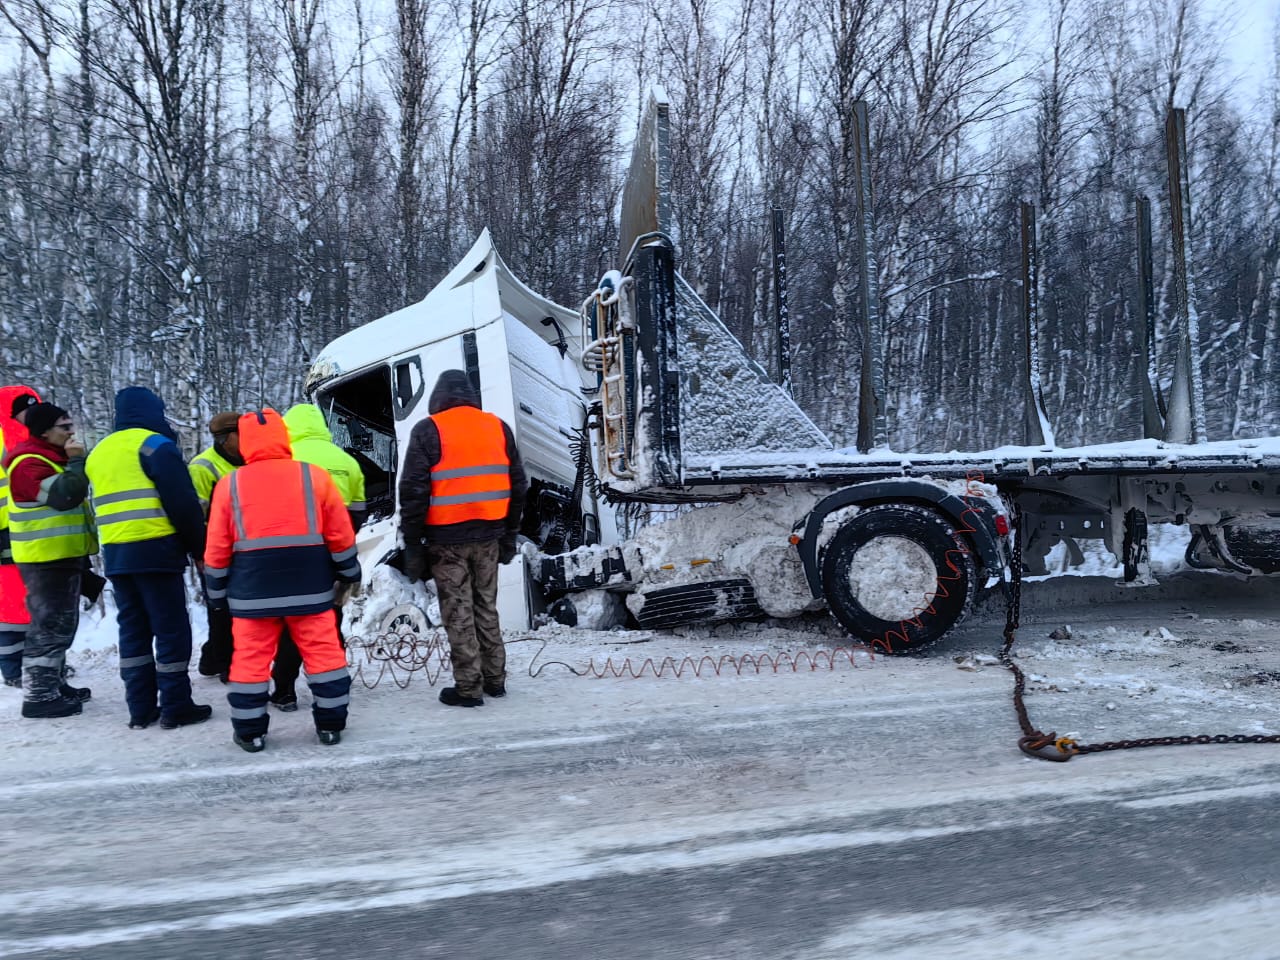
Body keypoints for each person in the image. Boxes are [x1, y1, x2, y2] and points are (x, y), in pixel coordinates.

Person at [204, 409, 360, 752]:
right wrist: (350, 572)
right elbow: (340, 533)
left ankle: (250, 733)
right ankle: (330, 725)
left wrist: (215, 592)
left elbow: (217, 546)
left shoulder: (230, 484)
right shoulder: (314, 476)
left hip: (252, 593)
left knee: (250, 661)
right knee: (324, 655)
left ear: (246, 443)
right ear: (284, 437)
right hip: (310, 590)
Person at [398, 370, 527, 708]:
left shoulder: (429, 430)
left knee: (458, 611)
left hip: (446, 541)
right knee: (486, 607)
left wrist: (412, 544)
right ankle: (495, 681)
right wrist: (510, 535)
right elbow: (518, 485)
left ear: (437, 398)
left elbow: (413, 492)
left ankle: (469, 687)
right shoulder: (497, 428)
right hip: (489, 537)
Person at [84, 387, 211, 730]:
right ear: (154, 410)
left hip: (117, 555)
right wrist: (200, 550)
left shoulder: (98, 453)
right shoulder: (155, 446)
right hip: (157, 551)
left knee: (134, 632)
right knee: (171, 631)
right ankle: (176, 706)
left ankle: (140, 709)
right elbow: (183, 504)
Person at [266, 402, 367, 711]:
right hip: (334, 554)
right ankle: (335, 681)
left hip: (291, 554)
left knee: (291, 622)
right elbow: (358, 512)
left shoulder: (284, 460)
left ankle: (284, 691)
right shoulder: (346, 461)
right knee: (330, 619)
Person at [3, 402, 96, 718]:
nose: (71, 432)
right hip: (44, 558)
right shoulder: (27, 463)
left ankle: (54, 685)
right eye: (64, 427)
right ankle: (39, 696)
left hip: (59, 555)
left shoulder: (48, 457)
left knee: (61, 625)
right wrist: (77, 461)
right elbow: (65, 495)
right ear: (44, 431)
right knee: (48, 628)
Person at [189, 412, 243, 680]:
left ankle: (213, 658)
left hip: (245, 548)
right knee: (220, 608)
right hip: (216, 551)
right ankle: (224, 663)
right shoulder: (202, 467)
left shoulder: (249, 460)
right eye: (242, 434)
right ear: (227, 438)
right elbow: (194, 516)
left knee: (236, 608)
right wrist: (200, 553)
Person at [0, 387, 41, 688]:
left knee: (32, 600)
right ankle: (15, 668)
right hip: (11, 531)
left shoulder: (35, 439)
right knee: (13, 603)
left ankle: (32, 664)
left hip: (29, 529)